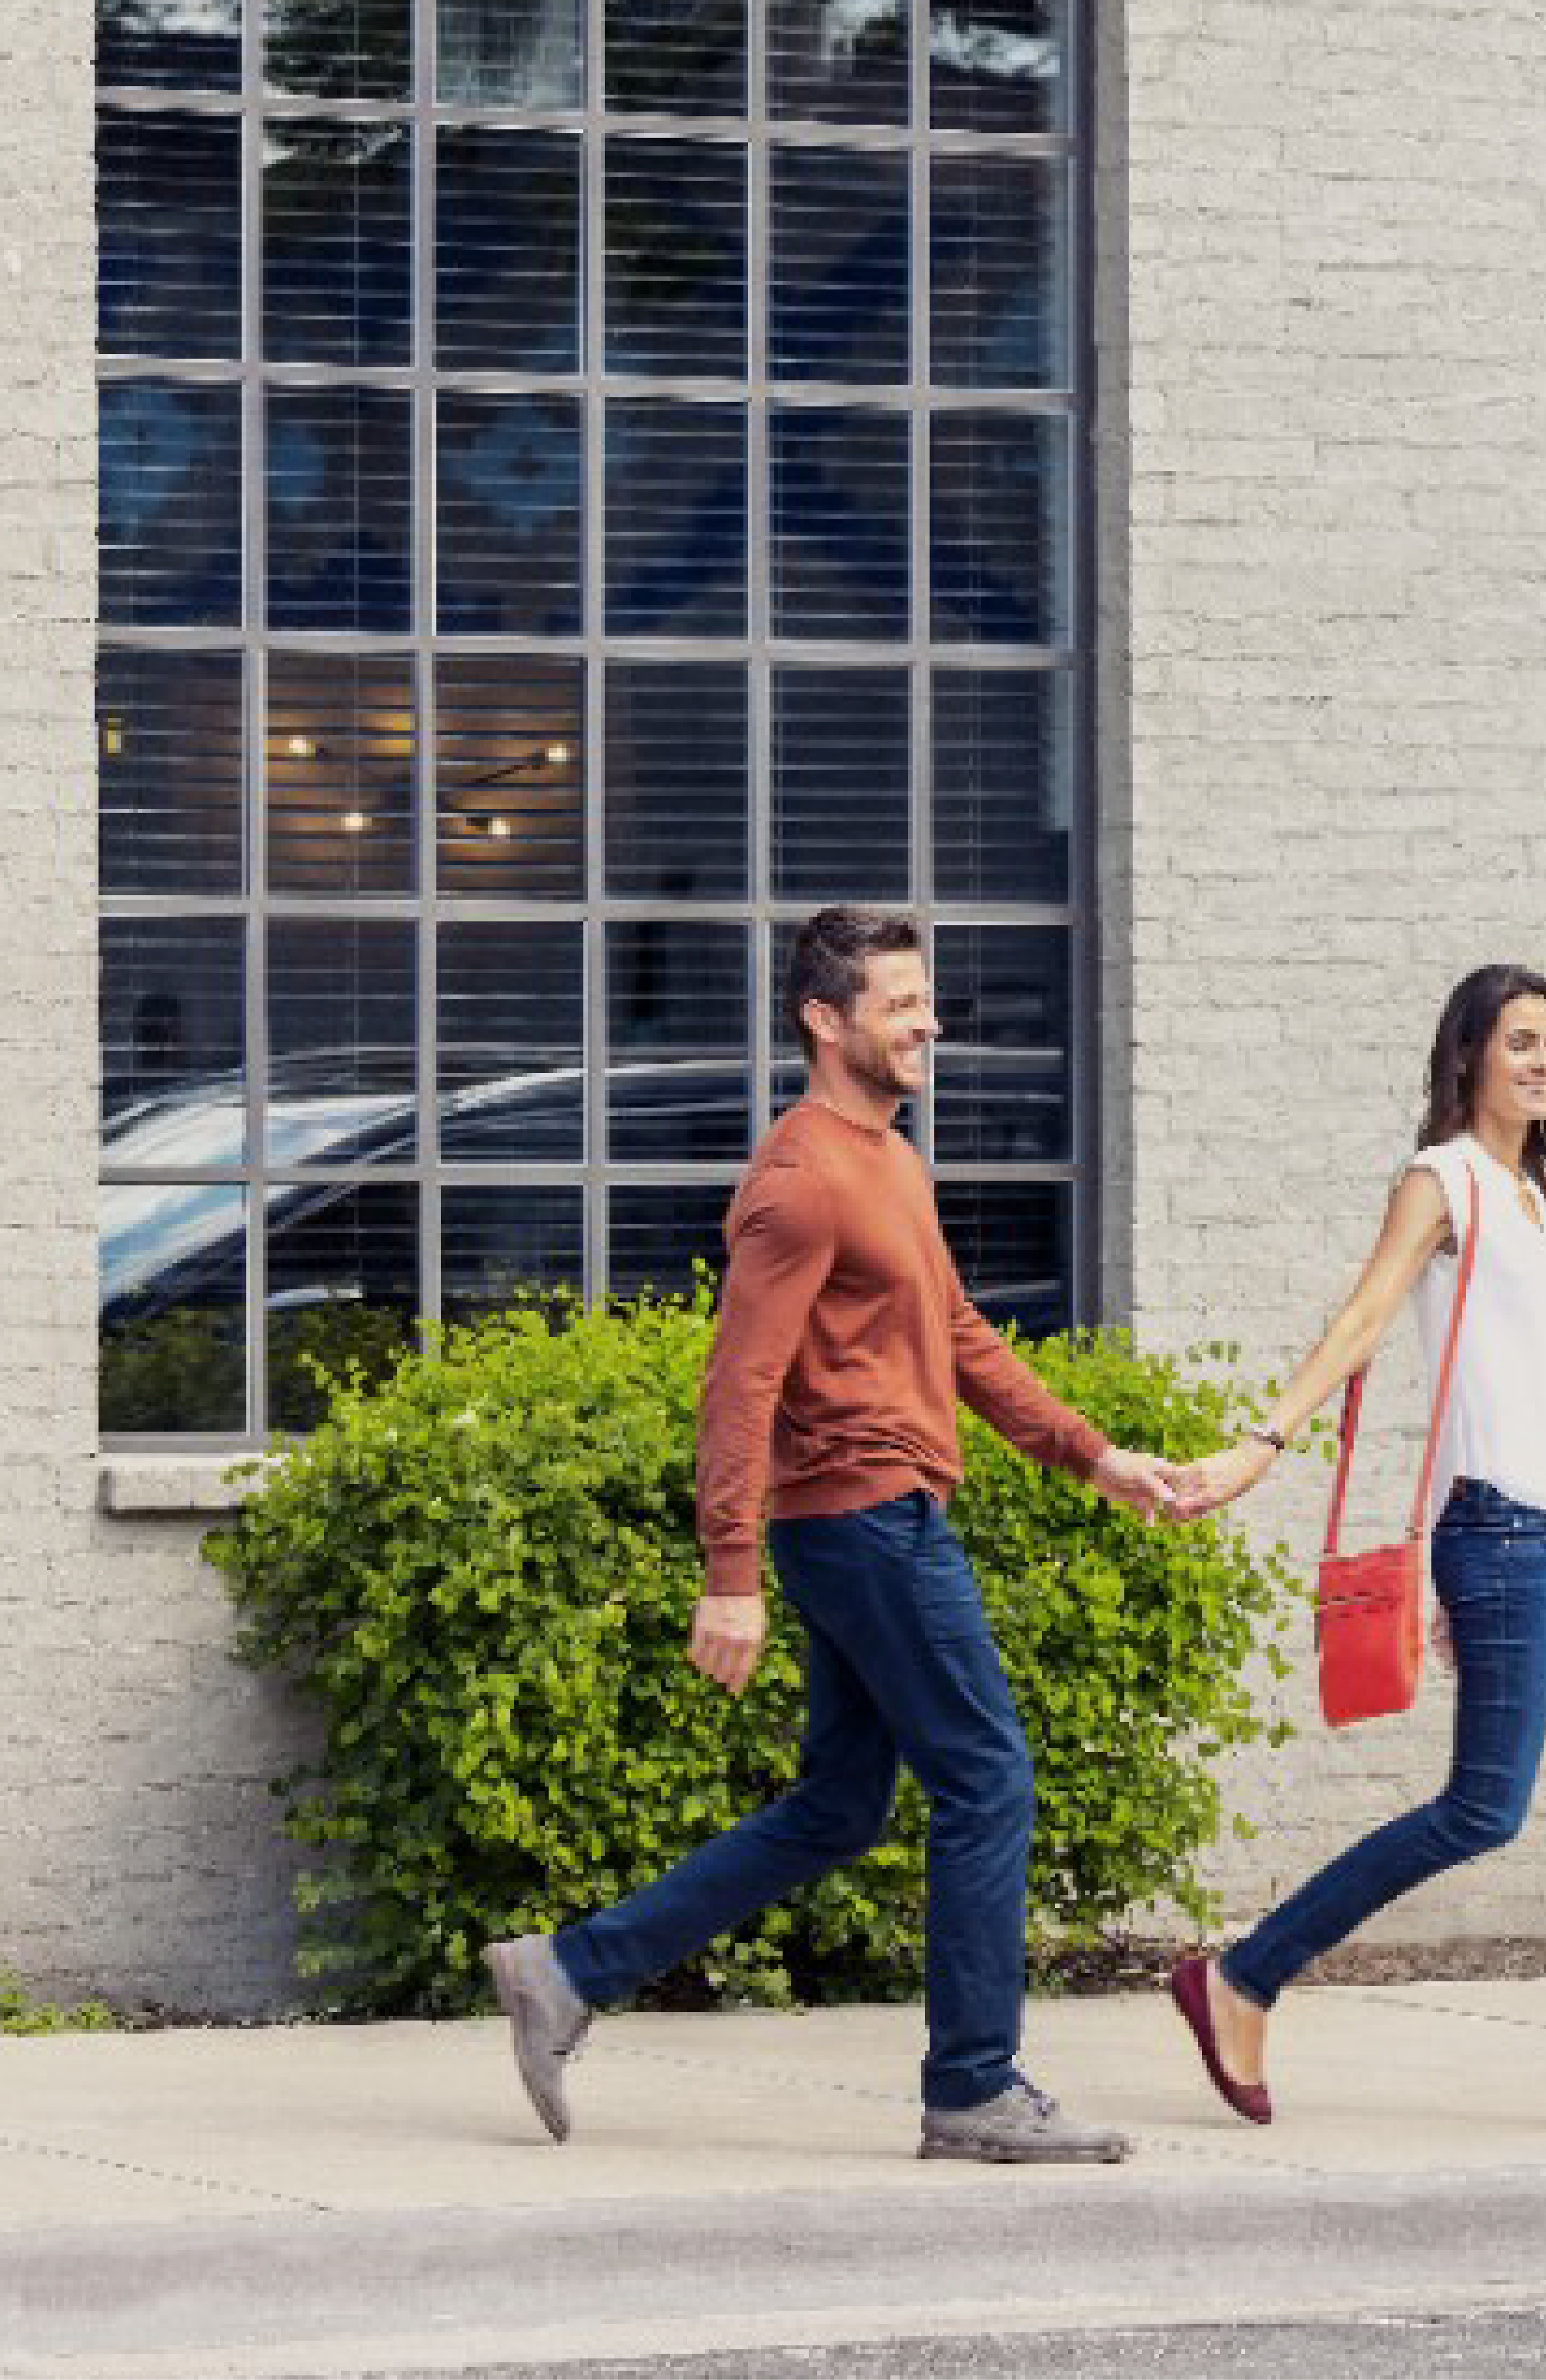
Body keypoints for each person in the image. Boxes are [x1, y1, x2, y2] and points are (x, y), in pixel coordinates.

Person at [480, 907, 1204, 2164]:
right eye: (901, 1004)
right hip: (866, 1518)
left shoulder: (893, 1162)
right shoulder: (801, 1177)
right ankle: (973, 2087)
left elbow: (961, 1334)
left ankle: (566, 1969)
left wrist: (1093, 1456)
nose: (931, 1022)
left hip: (882, 1517)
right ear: (827, 1020)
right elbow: (739, 1382)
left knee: (839, 1808)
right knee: (988, 1778)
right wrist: (728, 1573)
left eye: (930, 1002)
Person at [1159, 965, 1546, 2134]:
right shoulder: (1444, 1182)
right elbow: (1367, 1321)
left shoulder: (1534, 1198)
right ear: (1470, 1057)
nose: (1544, 1062)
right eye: (1521, 1042)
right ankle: (1242, 1974)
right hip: (1506, 1535)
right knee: (1484, 1808)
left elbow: (1486, 1378)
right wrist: (1258, 1447)